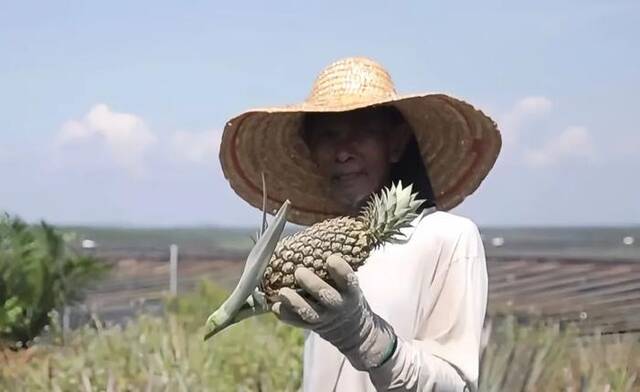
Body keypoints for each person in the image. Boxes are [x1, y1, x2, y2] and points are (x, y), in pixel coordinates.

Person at [219, 57, 502, 391]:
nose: (342, 152)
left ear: (395, 144)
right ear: (312, 151)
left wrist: (369, 340)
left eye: (361, 132)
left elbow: (457, 385)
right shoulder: (319, 247)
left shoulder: (449, 238)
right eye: (328, 135)